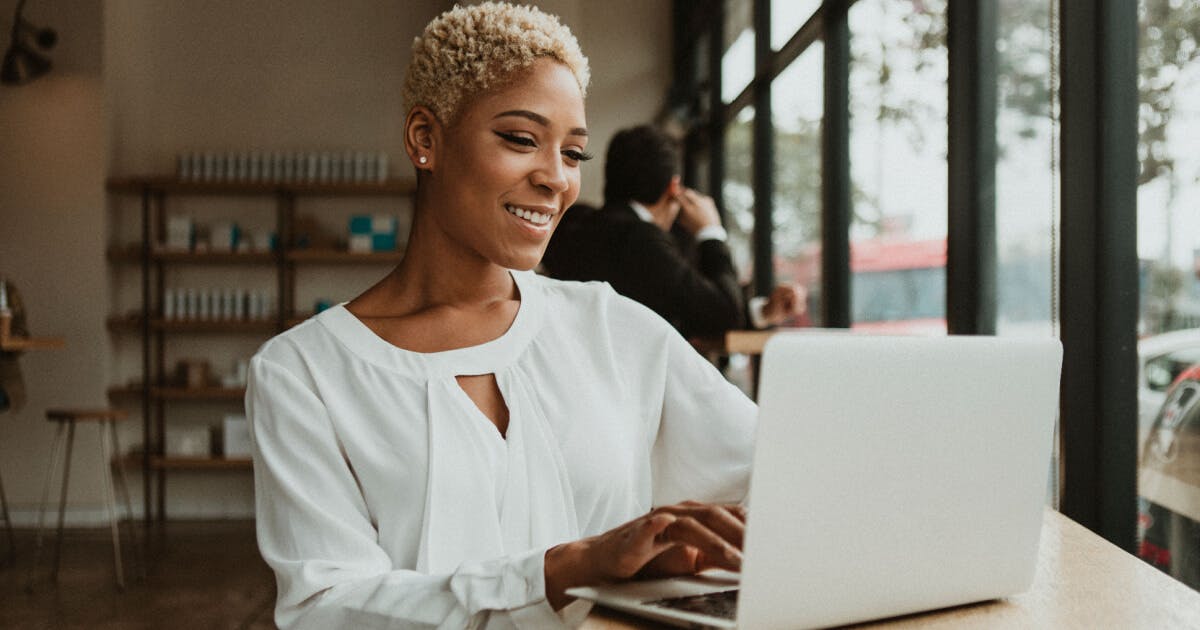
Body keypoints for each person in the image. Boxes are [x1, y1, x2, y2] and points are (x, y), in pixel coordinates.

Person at [245, 3, 756, 628]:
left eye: (573, 153)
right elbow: (325, 610)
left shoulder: (612, 327)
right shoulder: (302, 373)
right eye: (520, 139)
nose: (554, 179)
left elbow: (776, 473)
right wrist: (563, 569)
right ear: (424, 139)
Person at [540, 124, 806, 341]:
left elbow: (690, 306)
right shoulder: (641, 240)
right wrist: (710, 232)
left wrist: (763, 312)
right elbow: (723, 311)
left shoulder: (574, 224)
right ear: (674, 187)